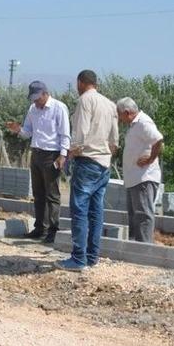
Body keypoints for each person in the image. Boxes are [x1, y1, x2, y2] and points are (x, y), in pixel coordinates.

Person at [56, 70, 118, 271]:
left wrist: (68, 156)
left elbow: (80, 135)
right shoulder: (110, 104)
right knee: (96, 211)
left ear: (80, 83)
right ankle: (92, 256)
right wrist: (106, 156)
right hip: (103, 164)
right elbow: (114, 140)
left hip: (87, 161)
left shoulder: (85, 101)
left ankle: (78, 259)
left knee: (79, 210)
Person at [6, 81, 70, 244]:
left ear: (44, 93)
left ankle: (53, 230)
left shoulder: (58, 108)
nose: (35, 102)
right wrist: (18, 129)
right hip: (36, 153)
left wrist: (63, 155)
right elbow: (28, 132)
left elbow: (65, 134)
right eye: (33, 99)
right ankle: (40, 228)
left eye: (37, 98)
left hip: (51, 155)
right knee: (38, 194)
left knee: (52, 195)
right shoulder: (33, 109)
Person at [116, 97, 164, 243]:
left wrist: (149, 160)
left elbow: (158, 140)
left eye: (119, 114)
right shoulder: (134, 125)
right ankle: (135, 247)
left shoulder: (143, 122)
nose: (119, 118)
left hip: (143, 177)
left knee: (143, 215)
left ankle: (144, 249)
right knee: (135, 215)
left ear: (127, 112)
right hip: (135, 178)